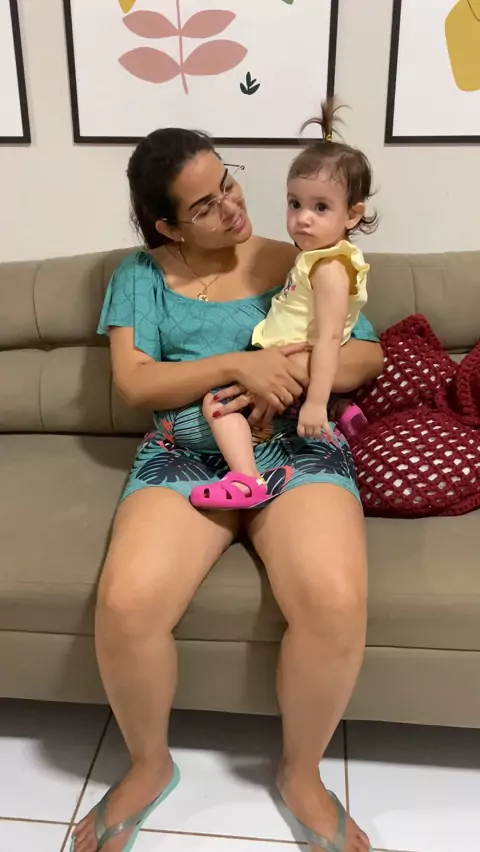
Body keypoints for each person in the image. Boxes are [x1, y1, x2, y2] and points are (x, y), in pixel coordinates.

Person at [71, 126, 384, 852]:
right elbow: (134, 383)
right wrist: (236, 367)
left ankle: (301, 773)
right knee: (127, 603)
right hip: (187, 454)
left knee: (334, 599)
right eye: (205, 206)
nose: (233, 207)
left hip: (294, 448)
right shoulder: (139, 276)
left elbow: (365, 354)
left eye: (229, 183)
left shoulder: (300, 255)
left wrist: (293, 368)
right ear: (167, 226)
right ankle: (148, 765)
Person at [190, 99, 374, 511]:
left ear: (352, 215)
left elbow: (329, 338)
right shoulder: (314, 258)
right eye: (295, 204)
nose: (303, 218)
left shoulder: (330, 268)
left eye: (320, 207)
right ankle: (340, 409)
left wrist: (314, 401)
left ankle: (245, 478)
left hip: (290, 363)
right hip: (287, 363)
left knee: (217, 404)